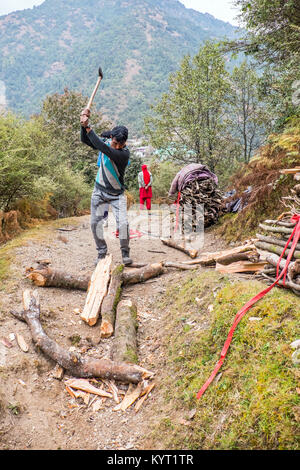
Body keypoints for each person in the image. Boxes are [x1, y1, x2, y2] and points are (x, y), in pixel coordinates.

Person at [80, 108, 132, 266]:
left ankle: (125, 252)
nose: (116, 146)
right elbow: (86, 140)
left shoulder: (123, 154)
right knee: (95, 224)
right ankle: (101, 253)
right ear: (111, 138)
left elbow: (103, 147)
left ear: (125, 143)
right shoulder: (107, 144)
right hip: (99, 192)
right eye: (114, 143)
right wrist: (83, 125)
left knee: (123, 224)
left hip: (117, 195)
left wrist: (88, 127)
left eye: (120, 144)